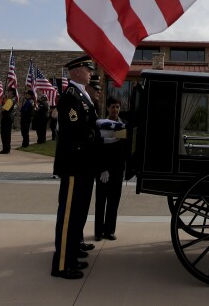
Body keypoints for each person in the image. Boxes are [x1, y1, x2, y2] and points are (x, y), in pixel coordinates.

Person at [51, 55, 98, 279]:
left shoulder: (82, 95)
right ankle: (62, 264)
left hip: (83, 164)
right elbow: (74, 131)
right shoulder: (71, 96)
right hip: (73, 164)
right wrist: (97, 135)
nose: (91, 73)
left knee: (77, 211)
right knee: (68, 214)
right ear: (77, 71)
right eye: (88, 69)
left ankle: (70, 254)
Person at [94, 93, 126, 241]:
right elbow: (98, 149)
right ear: (108, 108)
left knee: (114, 201)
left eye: (118, 107)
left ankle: (109, 230)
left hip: (117, 169)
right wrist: (102, 168)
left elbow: (122, 148)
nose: (115, 110)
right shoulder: (101, 124)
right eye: (113, 107)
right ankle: (98, 231)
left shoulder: (121, 125)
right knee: (101, 200)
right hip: (103, 170)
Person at [0, 90, 17, 154]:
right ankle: (7, 148)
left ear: (12, 93)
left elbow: (4, 109)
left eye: (9, 92)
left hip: (6, 118)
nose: (8, 93)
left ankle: (5, 149)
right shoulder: (14, 100)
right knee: (7, 134)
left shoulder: (9, 100)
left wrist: (2, 102)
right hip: (9, 118)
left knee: (5, 134)